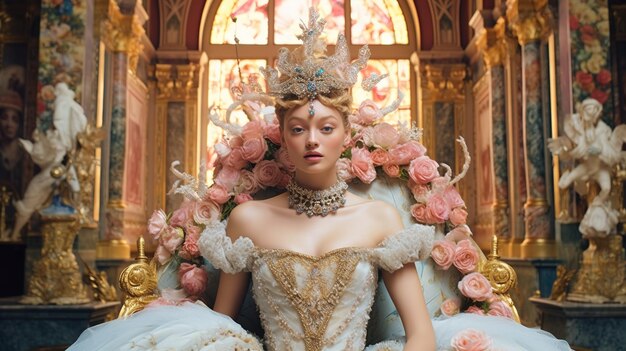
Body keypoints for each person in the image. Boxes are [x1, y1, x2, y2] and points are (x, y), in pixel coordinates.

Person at [70, 10, 571, 351]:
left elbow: (419, 335)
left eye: (326, 127)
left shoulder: (380, 217)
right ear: (281, 139)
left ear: (347, 135)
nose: (312, 140)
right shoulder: (246, 217)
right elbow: (220, 329)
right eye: (297, 129)